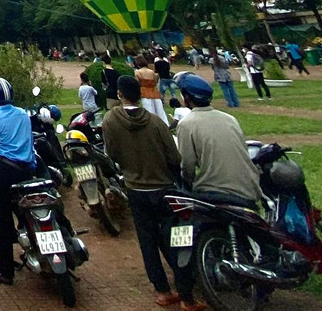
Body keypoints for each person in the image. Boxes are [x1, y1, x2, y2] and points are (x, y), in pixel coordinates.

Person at [102, 74, 199, 311]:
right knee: (177, 241)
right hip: (164, 189)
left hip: (135, 189)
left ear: (119, 94)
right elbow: (174, 158)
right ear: (141, 94)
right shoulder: (156, 122)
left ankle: (164, 291)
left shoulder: (110, 121)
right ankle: (187, 297)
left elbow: (111, 154)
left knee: (147, 242)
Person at [175, 73, 262, 206]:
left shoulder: (186, 124)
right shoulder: (229, 118)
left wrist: (186, 182)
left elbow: (187, 166)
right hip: (249, 187)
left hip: (215, 190)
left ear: (187, 97)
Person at [0, 77, 35, 285]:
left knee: (3, 220)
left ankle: (5, 270)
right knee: (26, 212)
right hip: (26, 171)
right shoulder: (23, 115)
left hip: (5, 171)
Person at [134, 56, 168, 124]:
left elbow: (137, 83)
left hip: (144, 92)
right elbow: (155, 82)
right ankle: (165, 125)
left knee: (149, 111)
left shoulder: (137, 72)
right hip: (154, 92)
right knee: (160, 112)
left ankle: (152, 125)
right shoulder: (152, 72)